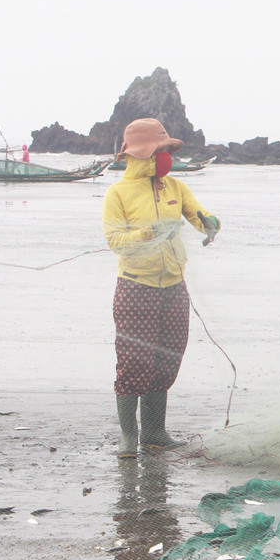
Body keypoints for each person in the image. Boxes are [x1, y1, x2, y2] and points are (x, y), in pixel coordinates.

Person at [102, 118, 221, 459]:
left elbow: (197, 214)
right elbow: (114, 240)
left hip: (173, 286)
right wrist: (147, 234)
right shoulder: (118, 193)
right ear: (139, 155)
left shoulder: (175, 187)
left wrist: (209, 224)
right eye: (159, 151)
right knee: (133, 362)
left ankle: (155, 432)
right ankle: (129, 436)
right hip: (135, 286)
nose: (165, 157)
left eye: (167, 150)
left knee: (168, 358)